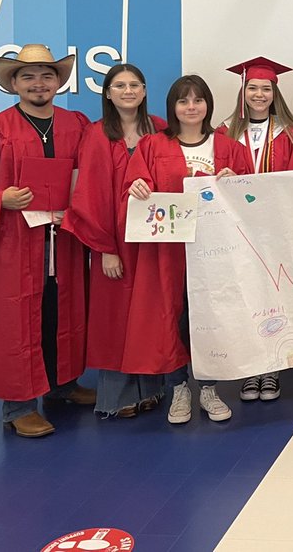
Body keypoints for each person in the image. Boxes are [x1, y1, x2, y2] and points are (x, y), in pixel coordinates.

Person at [0, 44, 95, 437]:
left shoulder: (77, 125)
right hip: (15, 244)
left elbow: (95, 174)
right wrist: (0, 199)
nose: (38, 83)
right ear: (13, 84)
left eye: (47, 75)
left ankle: (62, 384)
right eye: (28, 76)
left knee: (59, 311)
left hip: (63, 239)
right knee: (18, 320)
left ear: (58, 82)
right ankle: (18, 406)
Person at [125, 74, 252, 425]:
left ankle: (208, 388)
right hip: (169, 252)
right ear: (173, 107)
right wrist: (135, 186)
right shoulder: (153, 146)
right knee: (172, 317)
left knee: (210, 317)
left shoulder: (229, 147)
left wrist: (238, 185)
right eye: (183, 101)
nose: (191, 107)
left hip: (215, 250)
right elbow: (134, 190)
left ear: (208, 105)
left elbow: (251, 199)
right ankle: (179, 387)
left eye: (198, 100)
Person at [62, 64, 167, 418]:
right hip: (115, 243)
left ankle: (152, 389)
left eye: (134, 84)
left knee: (148, 314)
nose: (128, 91)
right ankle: (118, 397)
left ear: (144, 90)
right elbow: (89, 195)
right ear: (107, 93)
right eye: (119, 85)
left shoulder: (160, 129)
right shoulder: (96, 135)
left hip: (152, 242)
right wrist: (105, 249)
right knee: (115, 318)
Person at [218, 57, 293, 403]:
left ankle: (272, 368)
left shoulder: (290, 133)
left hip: (274, 230)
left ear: (274, 93)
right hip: (236, 230)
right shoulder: (224, 132)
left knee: (273, 299)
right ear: (243, 92)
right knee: (244, 297)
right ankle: (250, 368)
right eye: (252, 87)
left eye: (265, 89)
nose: (258, 94)